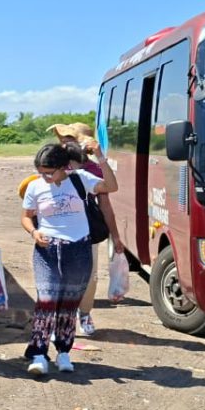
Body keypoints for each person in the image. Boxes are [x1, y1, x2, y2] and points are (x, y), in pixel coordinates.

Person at [20, 142, 119, 375]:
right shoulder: (35, 187)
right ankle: (38, 354)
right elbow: (25, 217)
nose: (44, 177)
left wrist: (100, 157)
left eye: (49, 172)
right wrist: (34, 232)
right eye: (40, 172)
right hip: (47, 251)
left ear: (64, 167)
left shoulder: (81, 178)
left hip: (78, 249)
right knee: (46, 300)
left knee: (69, 302)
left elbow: (111, 187)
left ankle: (64, 352)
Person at [48, 123, 126, 336]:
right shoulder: (51, 166)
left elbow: (106, 205)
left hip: (87, 231)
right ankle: (61, 319)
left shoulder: (91, 171)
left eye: (70, 140)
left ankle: (84, 313)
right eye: (63, 141)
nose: (65, 144)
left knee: (89, 276)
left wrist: (115, 236)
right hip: (58, 231)